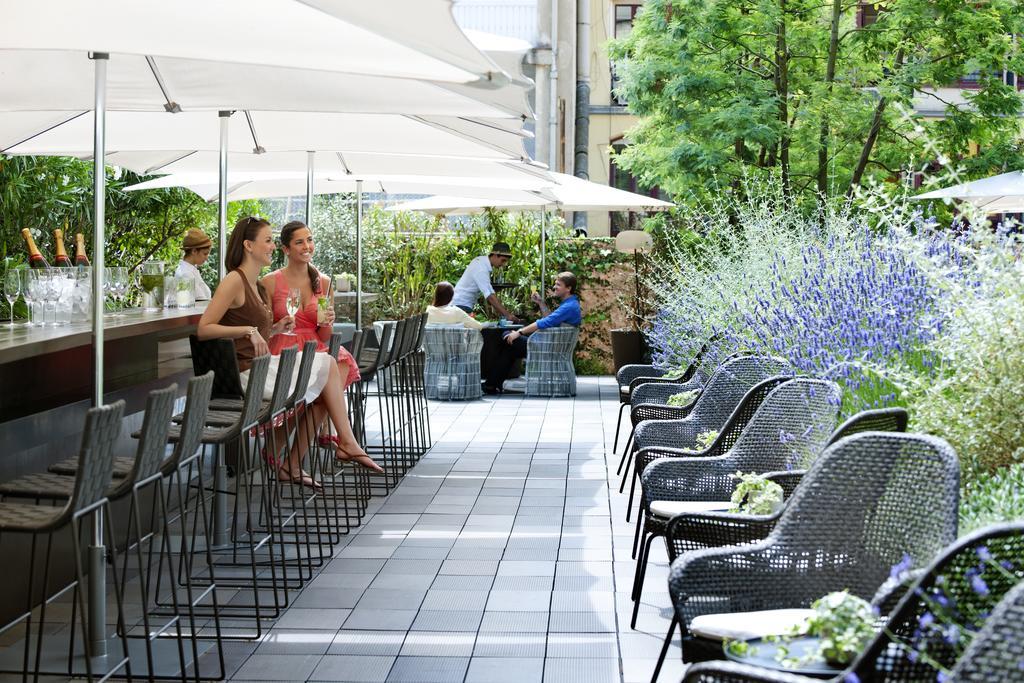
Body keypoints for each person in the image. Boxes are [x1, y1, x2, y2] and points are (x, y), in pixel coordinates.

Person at [262, 220, 383, 475]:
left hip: (313, 348)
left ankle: (294, 459)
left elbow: (324, 336)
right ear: (285, 249)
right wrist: (279, 325)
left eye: (310, 240)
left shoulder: (324, 282)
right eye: (299, 242)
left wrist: (328, 321)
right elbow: (262, 327)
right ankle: (338, 443)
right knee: (326, 383)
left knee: (336, 366)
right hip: (283, 349)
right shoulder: (270, 282)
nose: (307, 246)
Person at [486, 271, 582, 394]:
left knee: (508, 337)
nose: (554, 287)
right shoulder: (570, 304)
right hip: (551, 345)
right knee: (510, 346)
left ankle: (491, 384)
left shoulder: (568, 307)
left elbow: (544, 323)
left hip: (547, 347)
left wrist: (519, 332)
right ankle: (491, 385)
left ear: (568, 288)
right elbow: (550, 319)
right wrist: (541, 303)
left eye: (558, 285)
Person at [451, 242, 522, 323]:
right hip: (461, 305)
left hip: (461, 304)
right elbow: (489, 296)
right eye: (503, 260)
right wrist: (507, 315)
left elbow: (489, 290)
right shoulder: (481, 268)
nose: (504, 264)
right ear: (495, 255)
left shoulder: (481, 261)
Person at [175, 228, 213, 300]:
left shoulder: (190, 270)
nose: (206, 258)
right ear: (194, 251)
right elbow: (200, 301)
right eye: (205, 254)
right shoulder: (186, 274)